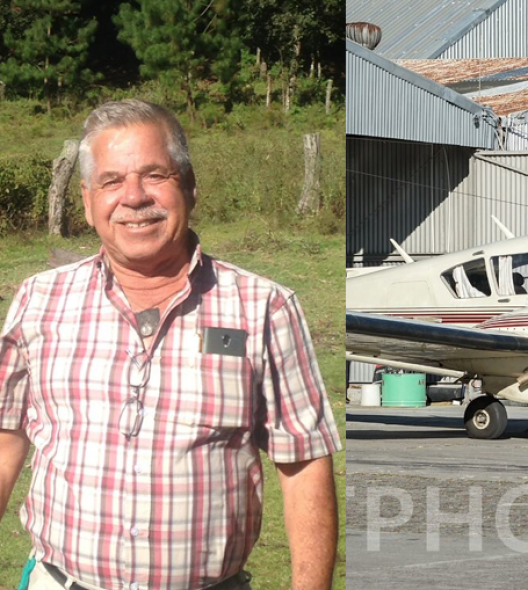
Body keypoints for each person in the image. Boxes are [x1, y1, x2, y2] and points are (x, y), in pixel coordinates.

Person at [0, 100, 342, 590]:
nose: (134, 197)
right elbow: (6, 436)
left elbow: (305, 460)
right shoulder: (40, 299)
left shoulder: (265, 307)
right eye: (112, 181)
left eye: (154, 175)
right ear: (86, 199)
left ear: (188, 184)